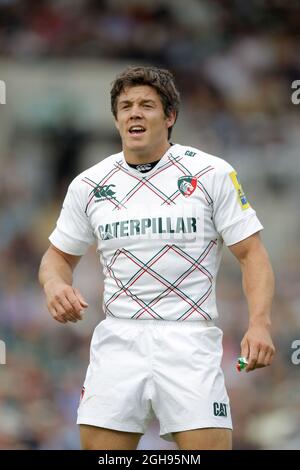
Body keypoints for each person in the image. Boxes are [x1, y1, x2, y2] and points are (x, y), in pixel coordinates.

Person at [38, 66, 275, 450]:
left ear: (170, 117)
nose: (134, 113)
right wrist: (54, 284)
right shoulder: (88, 184)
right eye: (125, 106)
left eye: (147, 105)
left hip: (189, 339)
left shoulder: (211, 173)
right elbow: (57, 257)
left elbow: (252, 255)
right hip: (119, 338)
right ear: (116, 119)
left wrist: (260, 324)